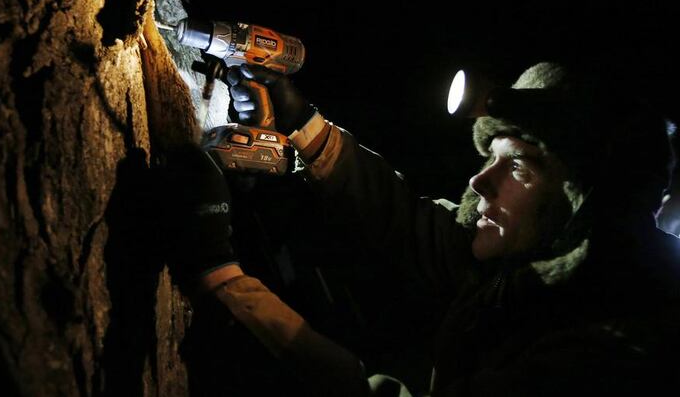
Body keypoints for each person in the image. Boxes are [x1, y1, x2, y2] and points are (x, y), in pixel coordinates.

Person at [163, 61, 680, 396]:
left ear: (583, 207)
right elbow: (415, 228)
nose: (479, 181)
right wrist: (308, 130)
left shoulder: (611, 352)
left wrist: (224, 281)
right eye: (489, 156)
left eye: (518, 167)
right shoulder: (533, 263)